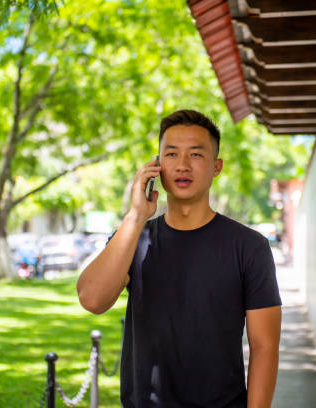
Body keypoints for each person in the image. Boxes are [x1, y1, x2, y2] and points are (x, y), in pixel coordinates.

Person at [77, 109, 282, 408]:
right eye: (171, 154)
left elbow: (265, 347)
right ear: (157, 166)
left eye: (196, 155)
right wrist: (135, 217)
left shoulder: (249, 246)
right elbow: (92, 299)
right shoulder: (135, 237)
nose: (182, 165)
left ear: (216, 167)